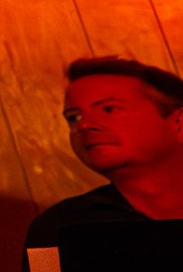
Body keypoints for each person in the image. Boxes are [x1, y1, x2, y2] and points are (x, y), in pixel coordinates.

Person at [26, 56, 183, 246]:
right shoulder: (54, 228)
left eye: (108, 109)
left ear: (178, 122)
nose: (83, 125)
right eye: (74, 117)